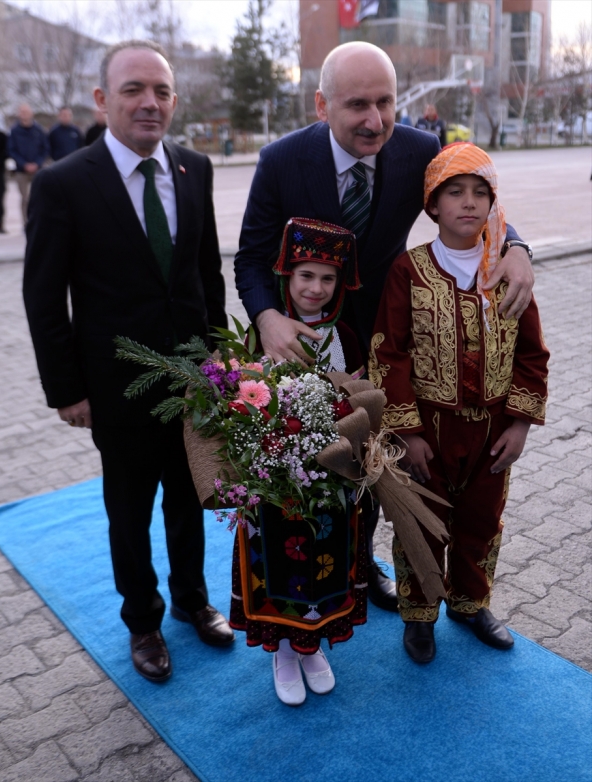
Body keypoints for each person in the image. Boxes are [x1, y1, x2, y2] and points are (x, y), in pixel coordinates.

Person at [234, 40, 535, 615]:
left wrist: (516, 245)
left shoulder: (419, 149)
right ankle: (303, 573)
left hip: (388, 335)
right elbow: (249, 258)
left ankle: (363, 563)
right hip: (306, 342)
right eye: (357, 105)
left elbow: (470, 200)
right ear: (322, 105)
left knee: (377, 458)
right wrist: (268, 319)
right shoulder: (280, 161)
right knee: (311, 459)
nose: (375, 120)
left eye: (386, 102)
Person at [23, 39, 233, 684]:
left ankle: (193, 600)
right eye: (134, 90)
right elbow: (43, 296)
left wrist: (221, 364)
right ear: (102, 99)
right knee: (130, 510)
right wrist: (66, 389)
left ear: (174, 100)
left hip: (193, 382)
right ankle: (143, 620)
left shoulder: (195, 168)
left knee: (189, 499)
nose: (150, 103)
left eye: (161, 91)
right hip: (116, 388)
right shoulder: (63, 183)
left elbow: (205, 274)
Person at [369, 142, 549, 664]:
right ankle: (419, 614)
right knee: (421, 524)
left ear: (493, 204)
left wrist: (520, 424)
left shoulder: (508, 270)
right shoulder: (409, 270)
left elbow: (532, 353)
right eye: (455, 192)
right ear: (432, 204)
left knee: (481, 522)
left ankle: (471, 605)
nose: (468, 203)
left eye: (479, 193)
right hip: (427, 429)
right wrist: (407, 433)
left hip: (493, 429)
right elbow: (388, 353)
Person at [230, 218, 368, 705]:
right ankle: (283, 652)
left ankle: (311, 647)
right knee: (279, 562)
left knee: (326, 562)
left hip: (332, 479)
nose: (316, 288)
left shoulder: (346, 335)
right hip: (275, 482)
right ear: (286, 275)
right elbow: (240, 406)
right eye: (306, 275)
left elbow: (360, 399)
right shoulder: (260, 335)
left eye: (328, 278)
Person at [7, 104, 49, 228]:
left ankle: (40, 222)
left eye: (26, 111)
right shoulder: (14, 131)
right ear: (19, 114)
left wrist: (37, 163)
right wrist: (23, 164)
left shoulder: (39, 129)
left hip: (37, 169)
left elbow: (45, 149)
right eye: (22, 112)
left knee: (39, 197)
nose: (24, 114)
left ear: (31, 113)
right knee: (25, 198)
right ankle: (27, 223)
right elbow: (11, 150)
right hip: (21, 170)